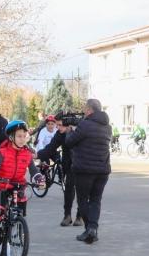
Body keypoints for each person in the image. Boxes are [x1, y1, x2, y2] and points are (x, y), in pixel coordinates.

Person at [0, 120, 45, 242]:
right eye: (19, 136)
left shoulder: (27, 154)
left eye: (24, 136)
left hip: (18, 184)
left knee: (21, 205)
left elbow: (34, 171)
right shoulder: (3, 152)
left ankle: (19, 223)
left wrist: (40, 180)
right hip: (2, 183)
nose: (22, 139)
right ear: (11, 137)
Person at [64, 99, 111, 243]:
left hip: (85, 170)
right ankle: (92, 229)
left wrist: (69, 132)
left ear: (90, 110)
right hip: (102, 170)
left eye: (85, 109)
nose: (84, 112)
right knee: (96, 200)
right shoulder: (107, 127)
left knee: (83, 200)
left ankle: (90, 229)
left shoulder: (84, 124)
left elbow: (69, 142)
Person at [37, 113, 82, 226]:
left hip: (82, 164)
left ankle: (80, 216)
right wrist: (38, 155)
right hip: (68, 164)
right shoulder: (59, 134)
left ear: (69, 125)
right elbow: (50, 148)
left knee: (82, 191)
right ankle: (67, 215)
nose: (57, 127)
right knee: (68, 189)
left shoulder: (80, 132)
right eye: (57, 125)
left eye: (60, 125)